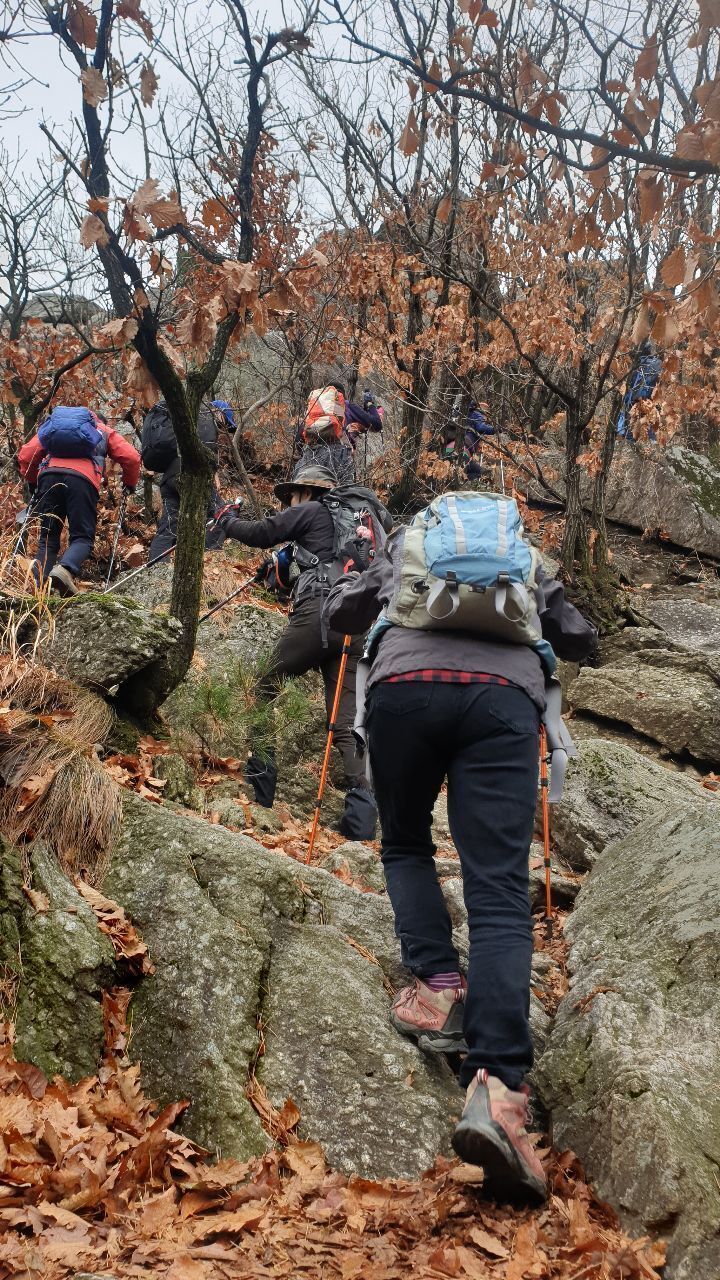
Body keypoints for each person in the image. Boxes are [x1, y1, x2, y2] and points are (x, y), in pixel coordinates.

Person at [323, 497, 597, 1203]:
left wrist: (342, 601)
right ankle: (499, 1092)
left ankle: (439, 989)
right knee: (499, 887)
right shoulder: (522, 557)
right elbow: (575, 634)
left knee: (406, 841)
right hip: (504, 699)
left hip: (403, 689)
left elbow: (347, 609)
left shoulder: (410, 544)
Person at [216, 464, 383, 840]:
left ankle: (261, 783)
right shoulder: (351, 525)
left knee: (262, 684)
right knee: (346, 724)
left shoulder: (312, 510)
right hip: (355, 626)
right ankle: (361, 823)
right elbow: (308, 563)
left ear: (306, 492)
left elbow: (261, 533)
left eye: (291, 496)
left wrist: (227, 521)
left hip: (317, 615)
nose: (289, 503)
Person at [18, 406, 141, 596]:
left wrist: (34, 482)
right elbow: (132, 458)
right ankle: (64, 570)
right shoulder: (103, 430)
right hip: (82, 482)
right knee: (82, 538)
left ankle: (35, 591)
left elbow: (26, 455)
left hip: (49, 478)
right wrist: (130, 483)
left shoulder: (54, 426)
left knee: (48, 540)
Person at [143, 399, 225, 560]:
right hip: (190, 475)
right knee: (221, 515)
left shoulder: (191, 418)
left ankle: (157, 569)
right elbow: (206, 453)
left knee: (168, 529)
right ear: (218, 412)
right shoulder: (206, 417)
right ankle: (209, 562)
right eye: (225, 423)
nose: (224, 430)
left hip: (170, 478)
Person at [294, 384, 384, 484]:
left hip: (310, 457)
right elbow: (377, 424)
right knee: (341, 492)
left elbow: (298, 440)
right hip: (337, 458)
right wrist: (370, 404)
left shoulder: (313, 409)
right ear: (340, 397)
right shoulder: (346, 405)